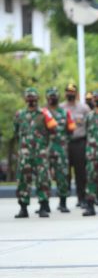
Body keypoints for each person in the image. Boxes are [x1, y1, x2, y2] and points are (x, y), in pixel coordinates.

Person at [14, 88, 55, 218]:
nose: (31, 100)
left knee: (43, 179)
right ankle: (23, 207)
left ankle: (43, 206)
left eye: (33, 97)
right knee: (23, 180)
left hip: (40, 153)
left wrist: (47, 147)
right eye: (29, 97)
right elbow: (16, 133)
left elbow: (53, 130)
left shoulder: (44, 113)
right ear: (25, 99)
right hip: (25, 153)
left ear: (37, 98)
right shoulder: (19, 114)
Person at [61, 84, 90, 207]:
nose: (70, 94)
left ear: (76, 93)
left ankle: (81, 198)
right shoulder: (61, 108)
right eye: (68, 91)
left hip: (79, 142)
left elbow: (90, 125)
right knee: (64, 172)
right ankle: (63, 201)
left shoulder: (84, 108)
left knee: (80, 173)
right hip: (65, 144)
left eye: (72, 92)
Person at [46, 87, 74, 213]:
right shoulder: (42, 113)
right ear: (47, 98)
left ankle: (63, 203)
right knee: (44, 177)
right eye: (51, 96)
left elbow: (71, 130)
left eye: (55, 96)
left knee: (62, 176)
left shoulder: (64, 113)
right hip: (45, 150)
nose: (53, 98)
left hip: (61, 149)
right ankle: (44, 204)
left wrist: (63, 142)